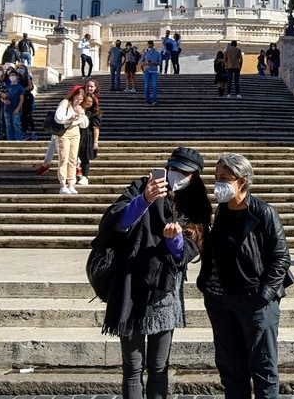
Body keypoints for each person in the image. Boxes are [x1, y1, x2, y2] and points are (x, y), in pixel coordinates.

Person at [97, 147, 211, 399]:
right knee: (132, 366)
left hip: (164, 289)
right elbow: (113, 223)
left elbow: (189, 250)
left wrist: (175, 241)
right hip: (129, 283)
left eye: (184, 172)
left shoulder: (195, 203)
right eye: (173, 168)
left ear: (194, 176)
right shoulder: (143, 186)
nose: (176, 174)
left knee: (159, 366)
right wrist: (144, 200)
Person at [197, 153, 293, 397]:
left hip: (254, 301)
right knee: (231, 370)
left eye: (224, 178)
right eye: (216, 177)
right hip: (220, 302)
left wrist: (263, 296)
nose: (217, 183)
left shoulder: (263, 212)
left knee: (263, 369)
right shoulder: (220, 211)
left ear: (241, 181)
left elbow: (281, 258)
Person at [55, 85, 88, 194]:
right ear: (73, 96)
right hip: (64, 132)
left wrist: (81, 114)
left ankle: (71, 183)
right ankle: (63, 184)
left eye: (81, 99)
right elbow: (58, 118)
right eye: (77, 98)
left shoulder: (80, 107)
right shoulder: (65, 103)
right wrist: (70, 119)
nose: (79, 101)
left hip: (75, 132)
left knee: (73, 158)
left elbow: (84, 125)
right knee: (64, 157)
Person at [78, 79, 102, 185]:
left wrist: (95, 141)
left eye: (90, 102)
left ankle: (85, 176)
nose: (88, 103)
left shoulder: (94, 112)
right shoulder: (78, 108)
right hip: (76, 134)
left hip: (87, 135)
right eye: (88, 86)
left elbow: (96, 127)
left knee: (85, 157)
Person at [2, 69, 25, 141]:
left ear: (17, 76)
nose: (11, 77)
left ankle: (18, 139)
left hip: (16, 108)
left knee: (16, 124)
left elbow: (21, 99)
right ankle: (10, 139)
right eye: (10, 76)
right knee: (8, 125)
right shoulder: (6, 86)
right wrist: (4, 101)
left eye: (13, 75)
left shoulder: (19, 87)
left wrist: (18, 108)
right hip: (7, 108)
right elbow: (2, 96)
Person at [140, 40, 162, 105]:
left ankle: (154, 99)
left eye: (151, 44)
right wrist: (146, 63)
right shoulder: (145, 53)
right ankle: (147, 99)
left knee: (154, 85)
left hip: (154, 71)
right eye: (149, 44)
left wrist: (154, 63)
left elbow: (160, 62)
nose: (150, 45)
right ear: (147, 45)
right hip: (147, 71)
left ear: (153, 45)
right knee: (146, 86)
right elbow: (140, 62)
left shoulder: (157, 53)